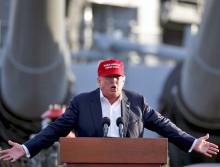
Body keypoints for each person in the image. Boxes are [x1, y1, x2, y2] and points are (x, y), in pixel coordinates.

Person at [0, 59, 219, 162]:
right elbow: (54, 129)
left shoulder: (137, 102)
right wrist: (26, 149)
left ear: (123, 80)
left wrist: (192, 142)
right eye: (109, 78)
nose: (114, 81)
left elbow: (165, 126)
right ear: (99, 81)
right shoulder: (82, 104)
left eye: (117, 77)